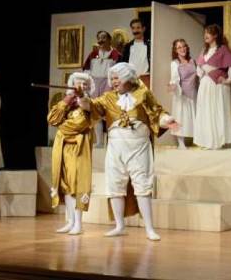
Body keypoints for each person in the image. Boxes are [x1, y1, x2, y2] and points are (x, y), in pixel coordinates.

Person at [79, 62, 178, 241]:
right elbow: (90, 107)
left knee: (142, 185)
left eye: (117, 78)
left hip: (138, 147)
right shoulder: (108, 97)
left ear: (127, 77)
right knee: (115, 185)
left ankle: (149, 228)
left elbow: (157, 113)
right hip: (116, 148)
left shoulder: (143, 93)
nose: (114, 82)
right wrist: (82, 97)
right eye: (112, 79)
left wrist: (167, 120)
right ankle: (119, 226)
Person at [47, 72, 96, 235]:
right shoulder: (67, 103)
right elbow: (52, 119)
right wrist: (66, 101)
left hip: (78, 149)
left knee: (76, 185)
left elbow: (79, 124)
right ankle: (70, 221)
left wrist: (61, 128)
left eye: (84, 84)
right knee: (66, 185)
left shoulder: (89, 105)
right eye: (77, 83)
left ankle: (78, 224)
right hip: (63, 148)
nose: (80, 86)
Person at [193, 24, 231, 149]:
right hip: (205, 84)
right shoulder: (204, 51)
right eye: (205, 32)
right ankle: (207, 141)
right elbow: (199, 69)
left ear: (215, 35)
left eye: (209, 32)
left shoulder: (223, 49)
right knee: (206, 111)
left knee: (217, 111)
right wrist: (203, 74)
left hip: (217, 85)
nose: (206, 35)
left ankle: (218, 142)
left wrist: (227, 80)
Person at [83, 31, 121, 147]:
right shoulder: (93, 54)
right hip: (95, 83)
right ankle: (99, 142)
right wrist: (87, 85)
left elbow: (119, 71)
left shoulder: (116, 54)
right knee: (96, 112)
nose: (101, 40)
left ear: (109, 40)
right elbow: (86, 70)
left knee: (109, 112)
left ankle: (111, 141)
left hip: (108, 83)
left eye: (104, 38)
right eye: (99, 38)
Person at [168, 39, 197, 149]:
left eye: (184, 46)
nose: (182, 49)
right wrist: (173, 86)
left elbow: (198, 75)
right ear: (175, 50)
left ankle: (196, 140)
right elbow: (174, 79)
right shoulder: (175, 63)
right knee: (180, 117)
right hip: (182, 94)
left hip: (193, 93)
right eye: (179, 47)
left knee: (193, 116)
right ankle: (181, 143)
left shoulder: (192, 61)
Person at [122, 19, 151, 88]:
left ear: (143, 29)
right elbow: (124, 63)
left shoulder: (150, 45)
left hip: (145, 79)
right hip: (130, 79)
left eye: (138, 28)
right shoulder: (127, 46)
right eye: (133, 28)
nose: (135, 31)